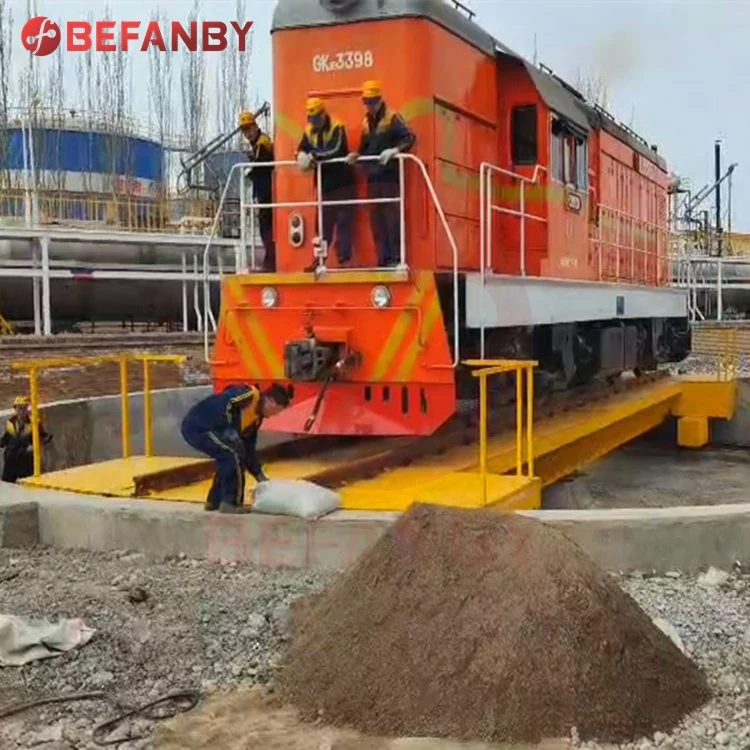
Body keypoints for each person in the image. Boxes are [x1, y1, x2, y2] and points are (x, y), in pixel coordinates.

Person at [180, 383, 293, 513]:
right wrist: (229, 427)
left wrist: (259, 474)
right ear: (271, 401)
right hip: (199, 426)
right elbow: (226, 402)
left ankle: (214, 501)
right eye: (277, 410)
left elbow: (248, 450)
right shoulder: (248, 394)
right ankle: (231, 503)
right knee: (231, 455)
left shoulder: (255, 420)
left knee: (230, 457)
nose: (275, 415)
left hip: (212, 431)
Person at [346, 81, 416, 267]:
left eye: (372, 101)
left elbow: (409, 137)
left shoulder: (392, 118)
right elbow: (364, 147)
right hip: (373, 176)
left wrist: (394, 150)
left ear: (378, 100)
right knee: (376, 220)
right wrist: (356, 156)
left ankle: (395, 258)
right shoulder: (366, 122)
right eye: (367, 102)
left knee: (392, 218)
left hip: (389, 176)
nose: (369, 105)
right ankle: (383, 259)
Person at [296, 97, 357, 269]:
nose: (314, 122)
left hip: (343, 183)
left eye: (316, 118)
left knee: (344, 223)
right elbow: (301, 147)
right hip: (324, 185)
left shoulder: (337, 127)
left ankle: (344, 260)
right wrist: (300, 155)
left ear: (323, 114)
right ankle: (319, 259)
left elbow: (337, 150)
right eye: (311, 119)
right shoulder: (309, 131)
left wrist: (314, 156)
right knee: (322, 225)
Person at [239, 111, 276, 272]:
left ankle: (271, 261)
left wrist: (250, 171)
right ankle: (270, 260)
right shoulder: (258, 144)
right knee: (264, 226)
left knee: (266, 227)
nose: (247, 133)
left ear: (255, 126)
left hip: (268, 191)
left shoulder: (262, 143)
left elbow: (262, 165)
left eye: (248, 128)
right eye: (244, 130)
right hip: (264, 190)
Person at [1, 396, 52, 483]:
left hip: (26, 460)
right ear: (15, 409)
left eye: (24, 408)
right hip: (11, 461)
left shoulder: (34, 423)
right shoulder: (11, 423)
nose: (22, 411)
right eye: (19, 408)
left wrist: (34, 446)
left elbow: (43, 437)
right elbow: (5, 440)